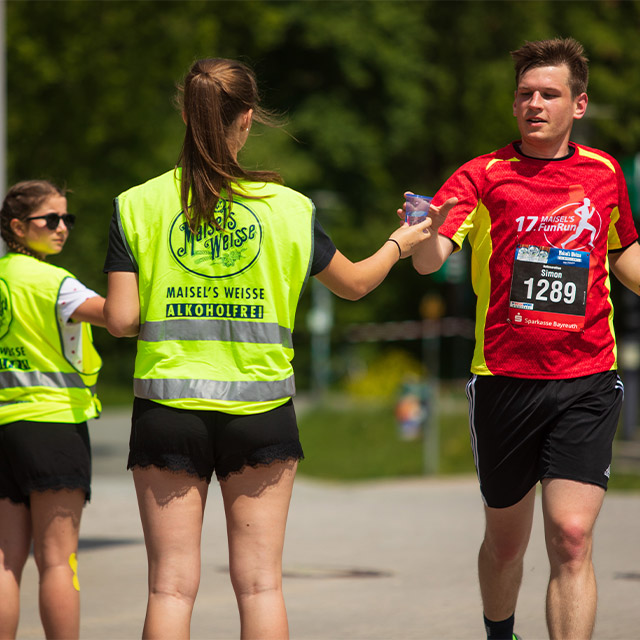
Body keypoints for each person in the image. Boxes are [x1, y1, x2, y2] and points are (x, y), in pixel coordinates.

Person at [103, 57, 454, 640]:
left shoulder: (136, 203)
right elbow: (356, 283)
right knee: (261, 584)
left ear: (187, 117)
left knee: (169, 587)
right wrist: (400, 242)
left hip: (168, 409)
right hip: (262, 414)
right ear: (247, 119)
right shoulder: (289, 208)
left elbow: (120, 320)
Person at [410, 37, 640, 640]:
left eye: (549, 94)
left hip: (587, 377)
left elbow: (625, 255)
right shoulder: (482, 175)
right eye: (524, 94)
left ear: (579, 104)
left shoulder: (604, 174)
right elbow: (432, 261)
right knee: (506, 545)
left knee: (570, 535)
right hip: (505, 381)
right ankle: (499, 634)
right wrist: (423, 230)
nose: (534, 103)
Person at [0, 180, 105, 639]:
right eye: (51, 220)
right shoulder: (56, 283)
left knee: (5, 558)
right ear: (18, 227)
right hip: (54, 426)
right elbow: (120, 317)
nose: (63, 228)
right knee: (58, 560)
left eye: (68, 219)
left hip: (5, 428)